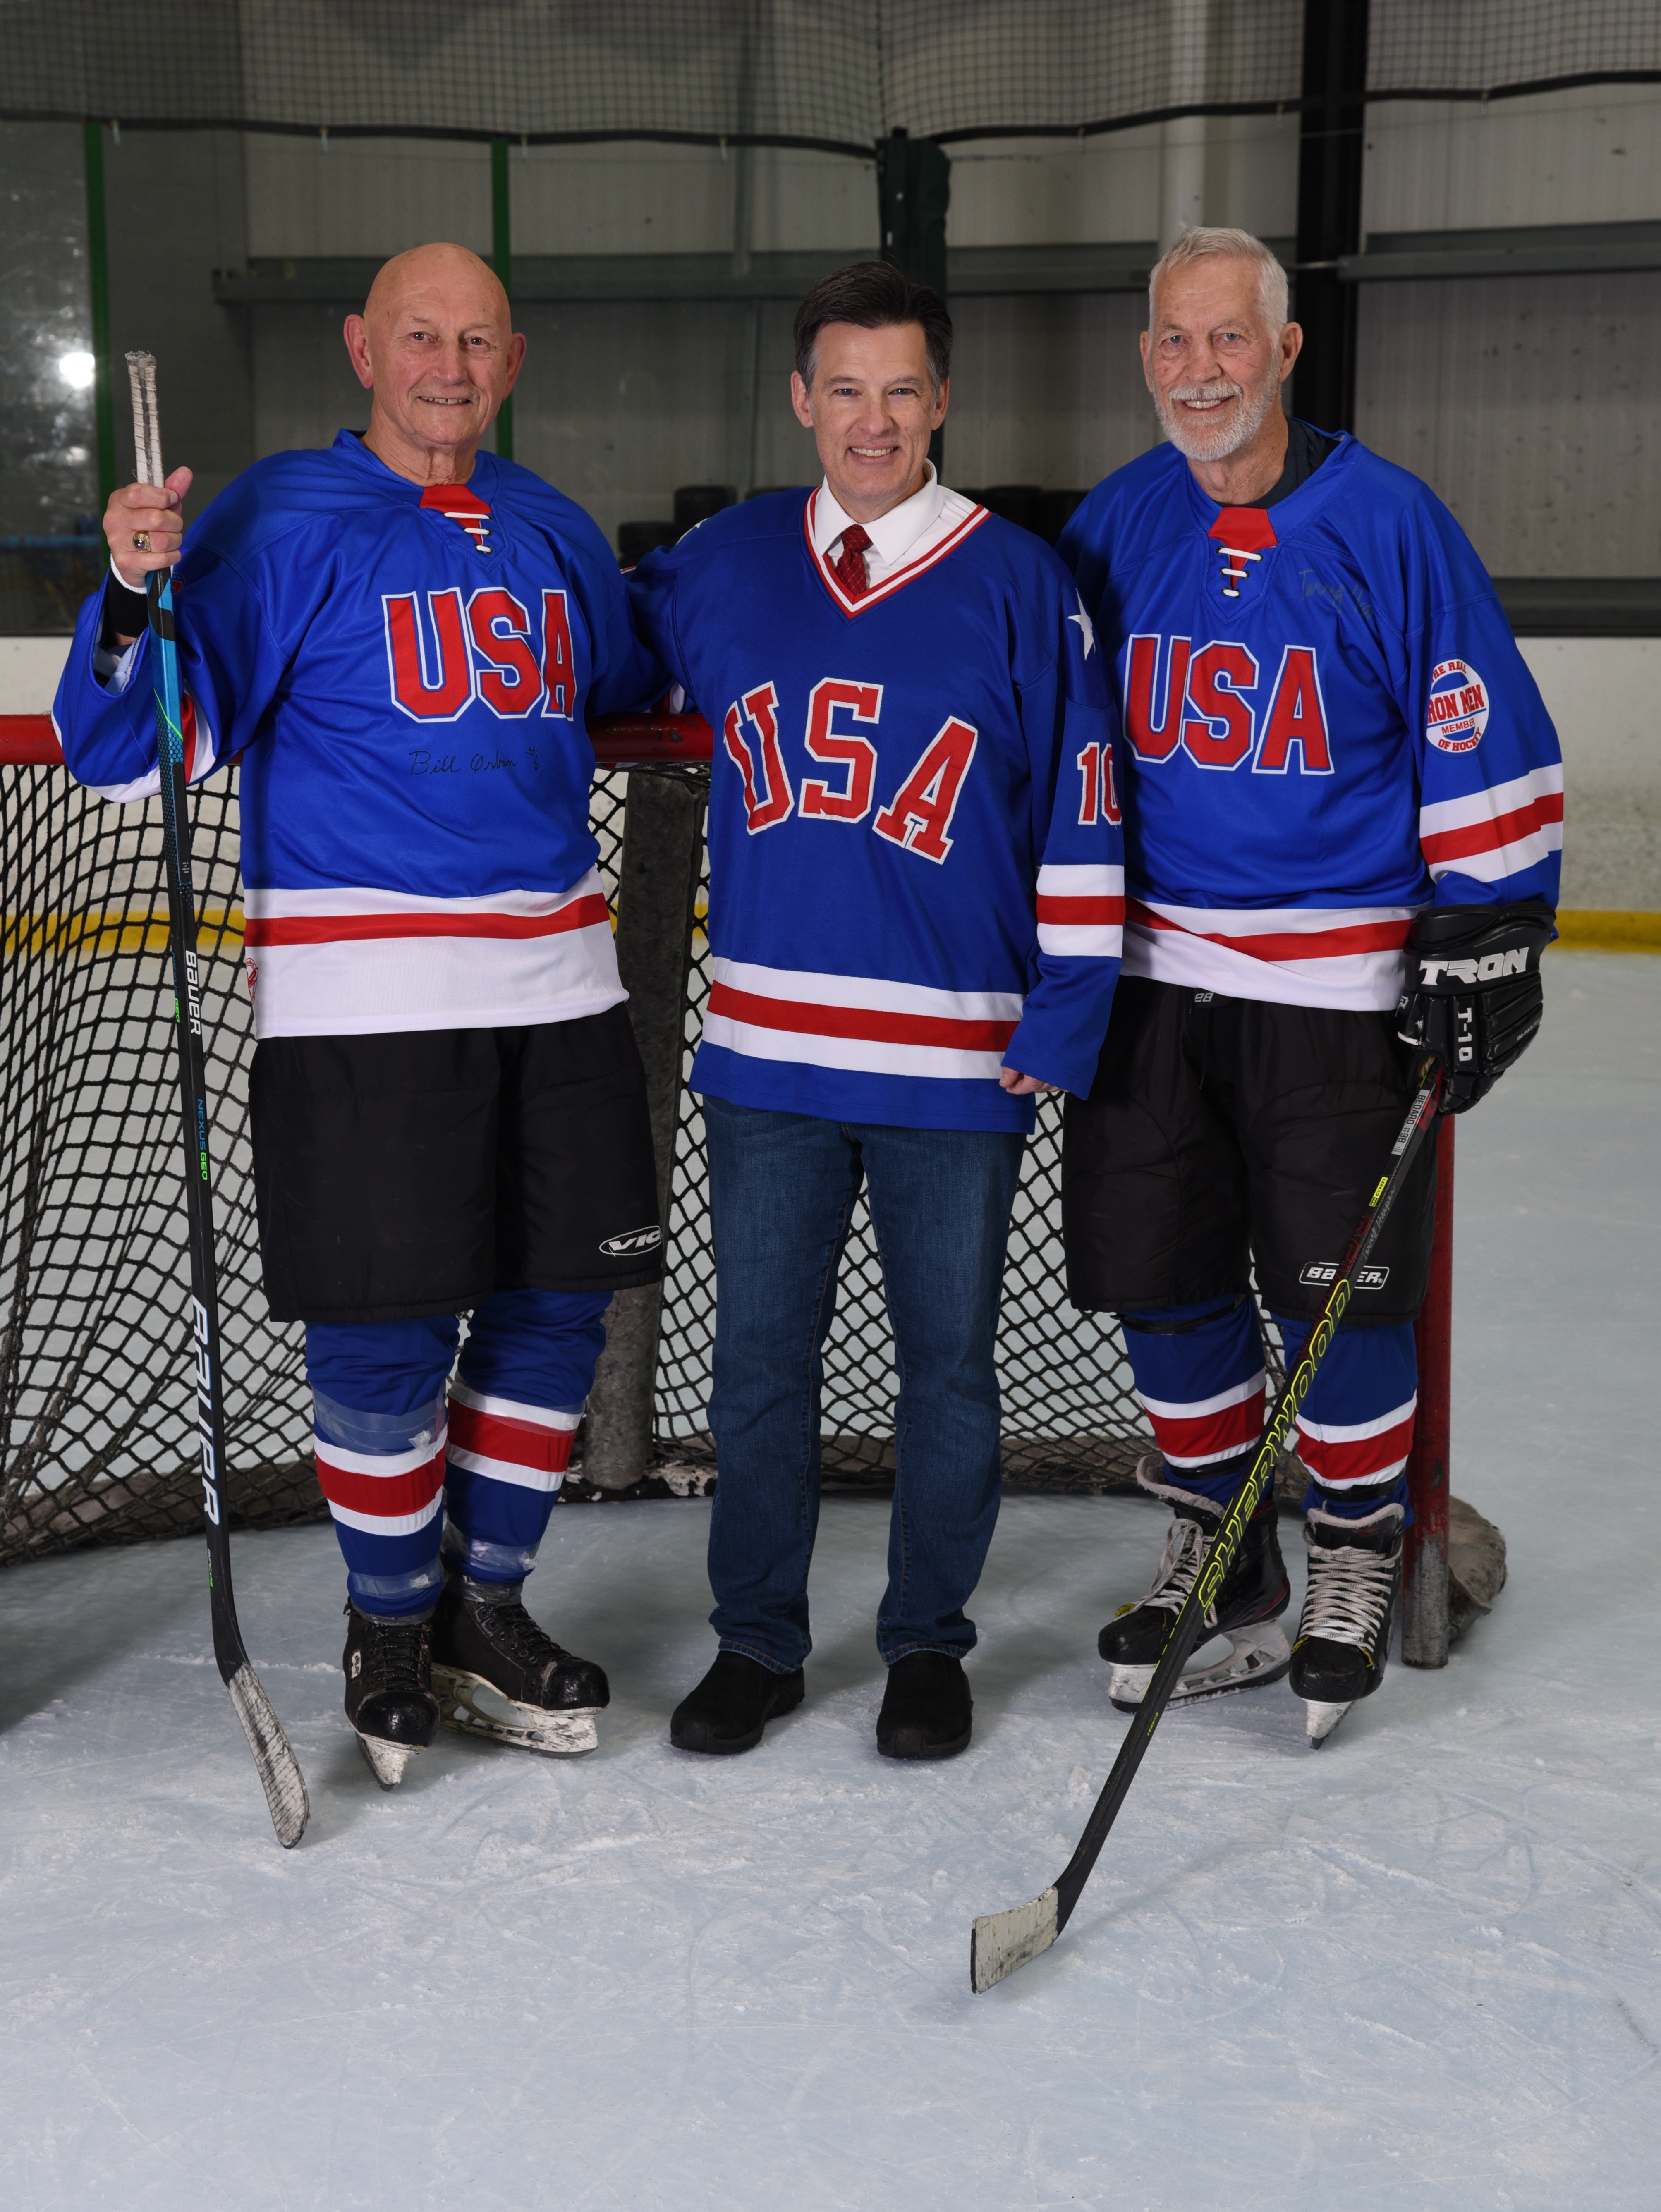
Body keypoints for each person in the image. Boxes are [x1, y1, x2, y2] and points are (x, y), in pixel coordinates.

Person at [53, 244, 666, 1787]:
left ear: (511, 360)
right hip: (368, 1010)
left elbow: (631, 671)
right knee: (384, 1335)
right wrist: (131, 595)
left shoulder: (552, 530)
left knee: (552, 1316)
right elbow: (139, 751)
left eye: (474, 340)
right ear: (361, 350)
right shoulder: (274, 517)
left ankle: (487, 1608)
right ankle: (388, 1621)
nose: (447, 366)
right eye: (418, 337)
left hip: (564, 996)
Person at [1058, 227, 1561, 1741]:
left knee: (1342, 1298)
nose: (1197, 370)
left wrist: (1492, 924)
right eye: (1171, 342)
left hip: (1337, 994)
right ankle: (1224, 1554)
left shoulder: (1392, 523)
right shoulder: (1115, 522)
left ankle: (1349, 1548)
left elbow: (1479, 729)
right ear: (1146, 357)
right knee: (1163, 1279)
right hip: (1151, 984)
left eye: (1227, 341)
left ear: (1284, 351)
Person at [629, 261, 1123, 1762]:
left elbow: (1085, 807)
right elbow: (573, 664)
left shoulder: (1021, 580)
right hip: (769, 1057)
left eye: (902, 388)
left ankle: (925, 1646)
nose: (873, 418)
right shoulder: (720, 563)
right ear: (802, 399)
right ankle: (756, 1644)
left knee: (949, 1368)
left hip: (955, 1052)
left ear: (943, 400)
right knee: (759, 1365)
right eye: (845, 388)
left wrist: (1067, 1005)